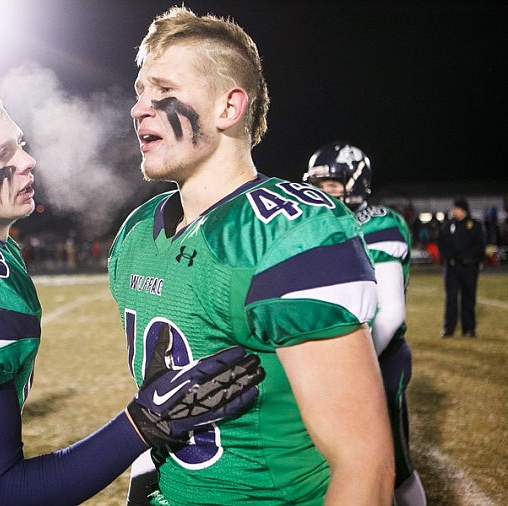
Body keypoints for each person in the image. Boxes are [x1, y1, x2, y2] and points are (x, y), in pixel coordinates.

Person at [0, 79, 266, 505]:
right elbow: (2, 494)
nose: (28, 160)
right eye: (2, 155)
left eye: (20, 143)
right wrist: (144, 423)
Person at [108, 7, 394, 505]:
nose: (139, 109)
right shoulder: (136, 233)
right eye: (139, 93)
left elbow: (364, 464)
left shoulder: (289, 231)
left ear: (229, 108)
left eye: (163, 92)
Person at [304, 141, 427, 505]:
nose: (323, 192)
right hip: (331, 357)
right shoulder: (317, 225)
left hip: (377, 356)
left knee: (394, 465)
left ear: (356, 183)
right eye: (318, 183)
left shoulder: (378, 223)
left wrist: (349, 370)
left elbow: (390, 313)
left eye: (332, 184)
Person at [437, 197, 486, 337]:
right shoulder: (447, 225)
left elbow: (480, 245)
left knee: (468, 298)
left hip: (469, 267)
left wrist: (475, 260)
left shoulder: (474, 225)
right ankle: (449, 329)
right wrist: (445, 259)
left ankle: (469, 329)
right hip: (451, 267)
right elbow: (441, 243)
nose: (454, 211)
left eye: (456, 208)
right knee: (451, 299)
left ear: (463, 210)